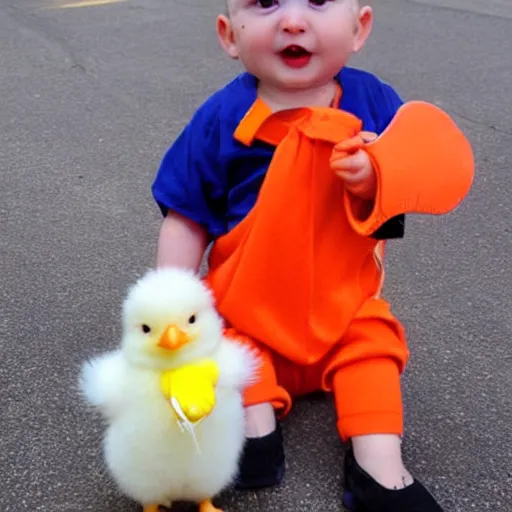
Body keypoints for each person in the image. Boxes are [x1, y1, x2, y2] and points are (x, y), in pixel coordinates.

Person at [151, 1, 474, 510]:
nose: (293, 21)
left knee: (374, 347)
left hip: (343, 305)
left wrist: (376, 178)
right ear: (229, 35)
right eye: (264, 3)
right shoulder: (219, 118)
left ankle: (379, 465)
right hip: (247, 307)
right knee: (219, 343)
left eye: (319, 1)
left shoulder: (376, 104)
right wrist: (169, 301)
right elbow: (187, 214)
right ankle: (253, 435)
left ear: (359, 27)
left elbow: (415, 187)